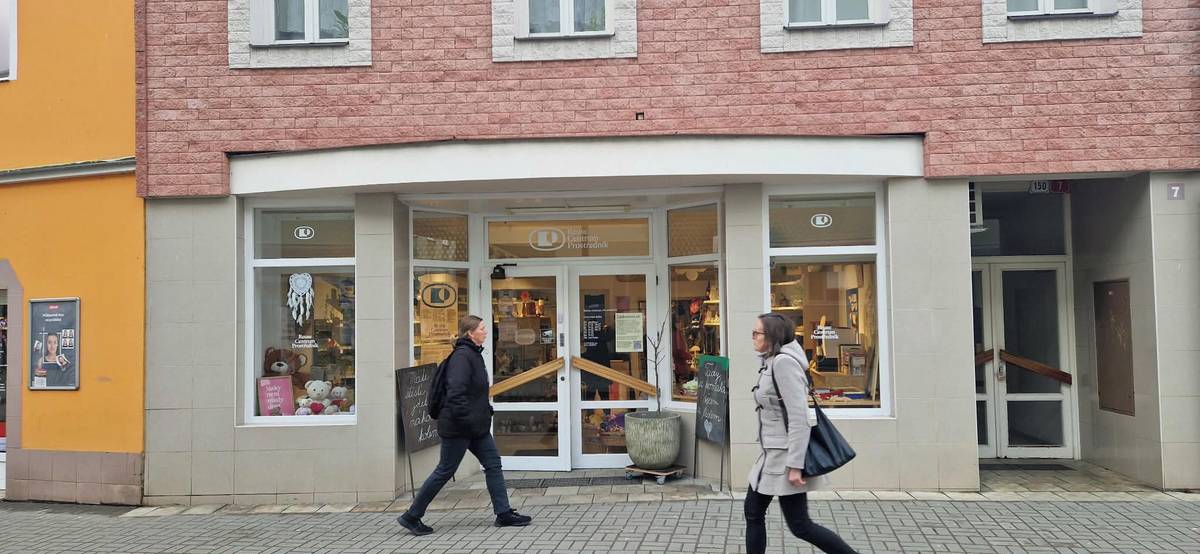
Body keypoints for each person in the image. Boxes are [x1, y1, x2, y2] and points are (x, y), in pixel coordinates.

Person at [397, 315, 532, 535]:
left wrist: (482, 412)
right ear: (470, 333)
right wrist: (469, 419)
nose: (486, 331)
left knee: (493, 464)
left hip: (475, 426)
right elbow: (456, 392)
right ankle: (412, 516)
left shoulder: (473, 354)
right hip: (460, 426)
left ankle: (504, 513)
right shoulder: (462, 357)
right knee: (445, 470)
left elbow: (474, 392)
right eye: (482, 328)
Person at [745, 313, 856, 554]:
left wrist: (795, 465)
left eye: (757, 333)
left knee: (800, 526)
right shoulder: (770, 360)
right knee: (754, 512)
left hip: (784, 457)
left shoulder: (783, 363)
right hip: (772, 454)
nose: (752, 337)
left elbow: (799, 417)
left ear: (772, 336)